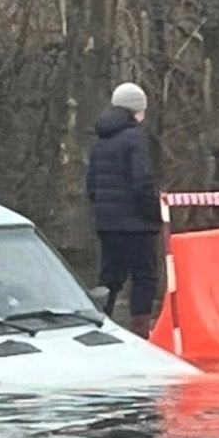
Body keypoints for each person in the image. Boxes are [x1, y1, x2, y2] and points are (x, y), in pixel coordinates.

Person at [86, 81, 161, 337]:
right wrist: (154, 214)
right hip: (136, 225)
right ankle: (141, 334)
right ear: (136, 110)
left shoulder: (101, 140)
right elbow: (142, 183)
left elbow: (92, 186)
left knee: (109, 278)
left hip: (107, 224)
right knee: (144, 278)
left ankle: (100, 328)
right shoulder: (134, 138)